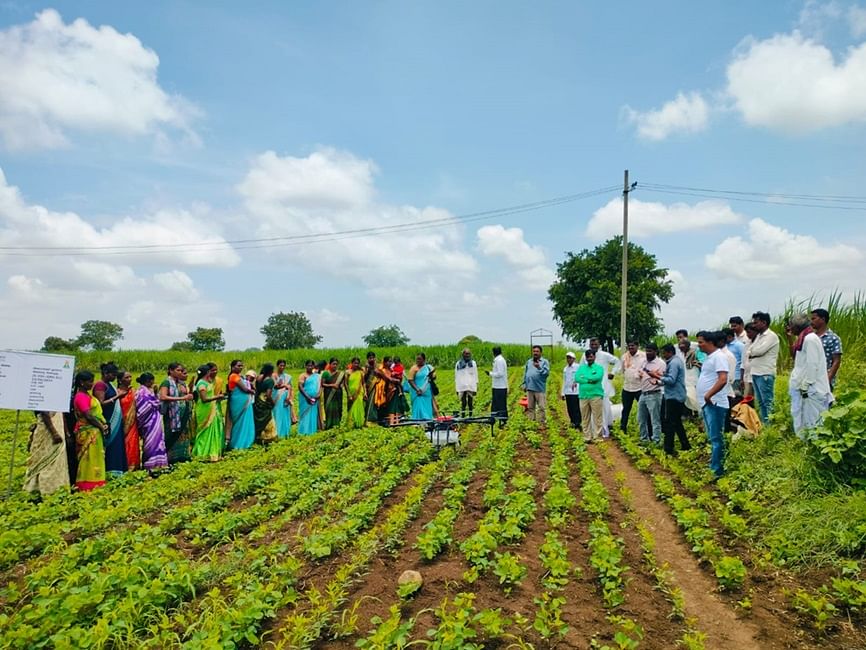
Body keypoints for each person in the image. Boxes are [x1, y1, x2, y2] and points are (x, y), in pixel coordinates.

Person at [789, 314, 832, 438]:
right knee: (802, 416)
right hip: (805, 387)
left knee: (813, 419)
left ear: (798, 326)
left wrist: (807, 383)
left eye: (792, 326)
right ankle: (804, 441)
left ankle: (813, 445)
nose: (791, 329)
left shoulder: (810, 339)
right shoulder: (804, 338)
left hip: (812, 388)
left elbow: (812, 363)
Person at [697, 331, 729, 478]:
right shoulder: (710, 358)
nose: (699, 345)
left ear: (710, 342)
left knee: (716, 438)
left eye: (701, 342)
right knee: (712, 437)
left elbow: (722, 379)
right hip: (707, 403)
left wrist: (709, 394)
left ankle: (717, 470)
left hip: (715, 403)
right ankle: (714, 466)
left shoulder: (719, 357)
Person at [72, 371, 108, 491]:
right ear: (82, 383)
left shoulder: (87, 395)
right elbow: (88, 415)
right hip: (88, 431)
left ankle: (97, 481)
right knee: (88, 458)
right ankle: (86, 484)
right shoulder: (80, 397)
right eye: (89, 381)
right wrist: (101, 426)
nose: (92, 384)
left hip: (94, 430)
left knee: (96, 457)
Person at [93, 362, 127, 478]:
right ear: (105, 373)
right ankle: (109, 471)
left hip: (115, 420)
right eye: (113, 375)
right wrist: (117, 397)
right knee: (111, 445)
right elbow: (101, 403)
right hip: (108, 419)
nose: (114, 377)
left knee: (117, 445)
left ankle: (117, 470)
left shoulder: (109, 384)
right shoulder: (100, 385)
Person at [24, 411, 69, 497]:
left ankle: (55, 488)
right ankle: (42, 489)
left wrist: (66, 431)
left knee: (56, 460)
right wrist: (54, 433)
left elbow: (61, 414)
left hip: (58, 427)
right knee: (45, 459)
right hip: (48, 431)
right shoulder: (45, 399)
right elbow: (44, 413)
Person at [657, 344, 691, 455]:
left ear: (669, 352)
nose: (662, 355)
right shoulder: (674, 362)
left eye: (664, 353)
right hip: (676, 395)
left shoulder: (674, 363)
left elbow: (671, 380)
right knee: (676, 422)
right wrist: (659, 381)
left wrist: (657, 376)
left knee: (670, 423)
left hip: (674, 397)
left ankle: (668, 448)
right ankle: (685, 445)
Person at [582, 338, 620, 435]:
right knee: (590, 410)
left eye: (595, 344)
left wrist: (613, 372)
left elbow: (617, 361)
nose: (594, 346)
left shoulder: (604, 355)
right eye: (592, 344)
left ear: (599, 345)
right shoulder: (585, 355)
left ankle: (603, 430)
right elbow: (581, 368)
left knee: (603, 409)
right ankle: (592, 430)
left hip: (603, 387)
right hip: (589, 387)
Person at [748, 311, 780, 424]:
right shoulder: (759, 336)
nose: (754, 325)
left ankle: (770, 426)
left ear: (764, 322)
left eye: (756, 323)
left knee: (767, 401)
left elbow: (759, 351)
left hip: (765, 373)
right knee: (760, 402)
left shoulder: (771, 336)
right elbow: (750, 349)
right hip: (756, 373)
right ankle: (765, 424)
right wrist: (752, 352)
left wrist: (751, 353)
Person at [159, 363, 194, 464]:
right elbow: (163, 397)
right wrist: (182, 398)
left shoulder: (180, 383)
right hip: (172, 415)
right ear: (171, 370)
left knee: (184, 435)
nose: (180, 372)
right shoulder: (166, 382)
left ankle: (182, 456)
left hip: (182, 413)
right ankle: (171, 458)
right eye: (178, 370)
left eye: (180, 370)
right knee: (172, 435)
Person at [134, 373, 169, 473]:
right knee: (150, 441)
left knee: (158, 440)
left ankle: (159, 463)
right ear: (147, 381)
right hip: (148, 420)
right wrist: (155, 403)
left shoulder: (149, 390)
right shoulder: (141, 392)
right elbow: (143, 407)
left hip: (155, 418)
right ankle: (150, 464)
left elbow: (155, 401)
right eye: (151, 381)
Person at [193, 364, 227, 461]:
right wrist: (218, 397)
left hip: (210, 409)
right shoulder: (201, 383)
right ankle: (201, 453)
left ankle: (211, 453)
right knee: (204, 432)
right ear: (207, 372)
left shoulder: (207, 382)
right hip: (204, 410)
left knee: (212, 431)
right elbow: (204, 399)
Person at [637, 343, 666, 445]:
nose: (648, 353)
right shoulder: (643, 362)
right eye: (646, 351)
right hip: (643, 393)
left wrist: (657, 381)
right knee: (641, 419)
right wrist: (639, 375)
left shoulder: (660, 363)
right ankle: (644, 439)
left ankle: (656, 440)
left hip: (654, 394)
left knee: (655, 419)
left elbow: (664, 380)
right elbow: (639, 373)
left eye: (650, 351)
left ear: (655, 352)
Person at [810, 308, 843, 391]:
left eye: (814, 319)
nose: (811, 322)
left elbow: (836, 361)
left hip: (824, 377)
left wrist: (828, 379)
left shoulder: (833, 338)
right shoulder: (810, 337)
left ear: (823, 319)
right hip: (810, 378)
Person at [575, 349, 604, 442]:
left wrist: (585, 378)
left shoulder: (599, 368)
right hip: (583, 396)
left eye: (591, 356)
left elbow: (597, 377)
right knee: (585, 417)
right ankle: (587, 436)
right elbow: (577, 378)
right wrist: (589, 380)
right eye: (588, 357)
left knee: (597, 417)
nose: (589, 358)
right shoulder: (581, 368)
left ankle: (597, 436)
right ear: (586, 358)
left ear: (594, 357)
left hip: (596, 395)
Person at [620, 340, 646, 433]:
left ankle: (644, 430)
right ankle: (623, 429)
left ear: (637, 346)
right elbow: (623, 370)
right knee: (626, 410)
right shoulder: (624, 356)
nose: (630, 348)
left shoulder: (644, 356)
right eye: (629, 346)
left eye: (632, 346)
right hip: (627, 387)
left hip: (640, 388)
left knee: (643, 410)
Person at [117, 371, 140, 471]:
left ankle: (134, 465)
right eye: (126, 377)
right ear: (120, 380)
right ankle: (124, 465)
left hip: (133, 423)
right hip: (121, 422)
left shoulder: (133, 391)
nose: (129, 379)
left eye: (130, 377)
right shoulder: (117, 392)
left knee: (133, 443)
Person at [228, 367, 255, 449]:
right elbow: (245, 389)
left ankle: (244, 442)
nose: (240, 367)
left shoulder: (240, 377)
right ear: (233, 367)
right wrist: (253, 391)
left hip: (243, 402)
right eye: (238, 365)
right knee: (240, 422)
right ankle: (239, 443)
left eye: (241, 365)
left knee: (243, 422)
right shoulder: (234, 376)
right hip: (239, 403)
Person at [522, 345, 550, 426]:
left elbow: (546, 374)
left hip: (539, 388)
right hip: (530, 388)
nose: (535, 353)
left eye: (537, 351)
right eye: (534, 351)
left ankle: (542, 423)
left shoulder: (544, 362)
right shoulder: (529, 361)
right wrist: (524, 383)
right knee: (530, 407)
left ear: (541, 353)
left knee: (541, 407)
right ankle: (531, 423)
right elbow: (526, 373)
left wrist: (539, 367)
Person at [407, 352, 436, 420]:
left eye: (420, 359)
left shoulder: (428, 367)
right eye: (417, 359)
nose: (418, 361)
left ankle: (427, 421)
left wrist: (431, 375)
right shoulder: (414, 368)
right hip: (417, 392)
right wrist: (417, 389)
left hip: (426, 391)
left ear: (424, 359)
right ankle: (417, 422)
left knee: (427, 406)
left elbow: (434, 377)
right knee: (419, 407)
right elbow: (410, 380)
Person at [253, 363, 277, 443]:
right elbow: (268, 395)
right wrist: (273, 403)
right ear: (271, 371)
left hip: (258, 399)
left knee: (259, 418)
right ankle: (268, 437)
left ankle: (259, 436)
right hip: (264, 400)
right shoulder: (270, 380)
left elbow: (257, 389)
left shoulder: (259, 378)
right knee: (268, 418)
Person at [297, 360, 322, 435]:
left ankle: (312, 430)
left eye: (311, 366)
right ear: (305, 366)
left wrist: (318, 394)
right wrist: (307, 397)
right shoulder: (303, 375)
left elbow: (320, 386)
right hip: (305, 399)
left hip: (315, 399)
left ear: (314, 366)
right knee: (304, 414)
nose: (310, 367)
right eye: (308, 365)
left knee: (313, 414)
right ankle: (303, 431)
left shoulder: (317, 376)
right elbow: (300, 386)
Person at [487, 346, 508, 427]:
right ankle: (493, 419)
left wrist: (490, 373)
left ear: (494, 353)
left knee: (501, 404)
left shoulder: (499, 361)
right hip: (497, 386)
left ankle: (503, 420)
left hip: (500, 386)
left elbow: (500, 373)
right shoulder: (498, 360)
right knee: (495, 403)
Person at [272, 359, 294, 438]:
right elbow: (274, 387)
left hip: (285, 399)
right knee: (277, 415)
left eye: (284, 366)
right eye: (280, 365)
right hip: (276, 399)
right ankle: (278, 433)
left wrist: (289, 398)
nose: (282, 367)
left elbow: (291, 388)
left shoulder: (288, 377)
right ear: (277, 366)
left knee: (285, 415)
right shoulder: (273, 375)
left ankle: (285, 433)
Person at [455, 348, 479, 417]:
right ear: (463, 354)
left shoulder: (473, 363)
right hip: (462, 385)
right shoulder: (458, 363)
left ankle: (470, 416)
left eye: (469, 354)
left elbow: (475, 374)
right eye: (466, 353)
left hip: (470, 385)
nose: (467, 355)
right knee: (463, 402)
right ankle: (463, 415)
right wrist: (457, 388)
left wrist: (476, 386)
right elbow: (456, 375)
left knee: (470, 402)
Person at [322, 358, 345, 429]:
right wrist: (332, 385)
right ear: (330, 364)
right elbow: (322, 384)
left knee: (337, 409)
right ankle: (329, 424)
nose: (335, 366)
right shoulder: (326, 373)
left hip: (338, 394)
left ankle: (336, 424)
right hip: (328, 394)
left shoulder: (340, 374)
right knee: (329, 408)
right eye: (333, 364)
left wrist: (340, 386)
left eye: (336, 364)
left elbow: (343, 383)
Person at [560, 351, 581, 430]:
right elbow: (564, 381)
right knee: (569, 408)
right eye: (567, 358)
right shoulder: (565, 369)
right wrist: (563, 393)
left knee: (576, 408)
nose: (568, 359)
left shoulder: (578, 367)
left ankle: (577, 423)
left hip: (576, 391)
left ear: (574, 359)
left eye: (570, 358)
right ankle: (572, 421)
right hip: (568, 391)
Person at [345, 357, 367, 428]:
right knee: (351, 408)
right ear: (352, 363)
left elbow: (363, 383)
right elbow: (346, 384)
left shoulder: (360, 372)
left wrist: (365, 393)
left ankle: (359, 423)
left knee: (359, 407)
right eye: (355, 363)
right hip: (351, 393)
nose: (356, 364)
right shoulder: (348, 372)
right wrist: (348, 394)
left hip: (359, 392)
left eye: (358, 363)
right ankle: (351, 423)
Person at [724, 328, 745, 397]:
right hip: (728, 376)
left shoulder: (739, 345)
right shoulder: (725, 345)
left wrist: (742, 378)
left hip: (737, 376)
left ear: (730, 336)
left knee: (736, 396)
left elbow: (743, 361)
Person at [742, 323, 758, 397]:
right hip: (747, 377)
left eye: (749, 332)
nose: (748, 335)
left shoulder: (759, 343)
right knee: (747, 399)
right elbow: (743, 362)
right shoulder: (746, 344)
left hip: (756, 375)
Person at [364, 352, 379, 423]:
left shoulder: (377, 366)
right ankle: (368, 418)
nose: (372, 359)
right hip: (367, 387)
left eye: (373, 358)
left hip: (376, 386)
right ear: (367, 359)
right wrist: (368, 370)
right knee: (368, 402)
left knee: (374, 402)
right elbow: (364, 378)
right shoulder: (365, 367)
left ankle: (373, 418)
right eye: (370, 358)